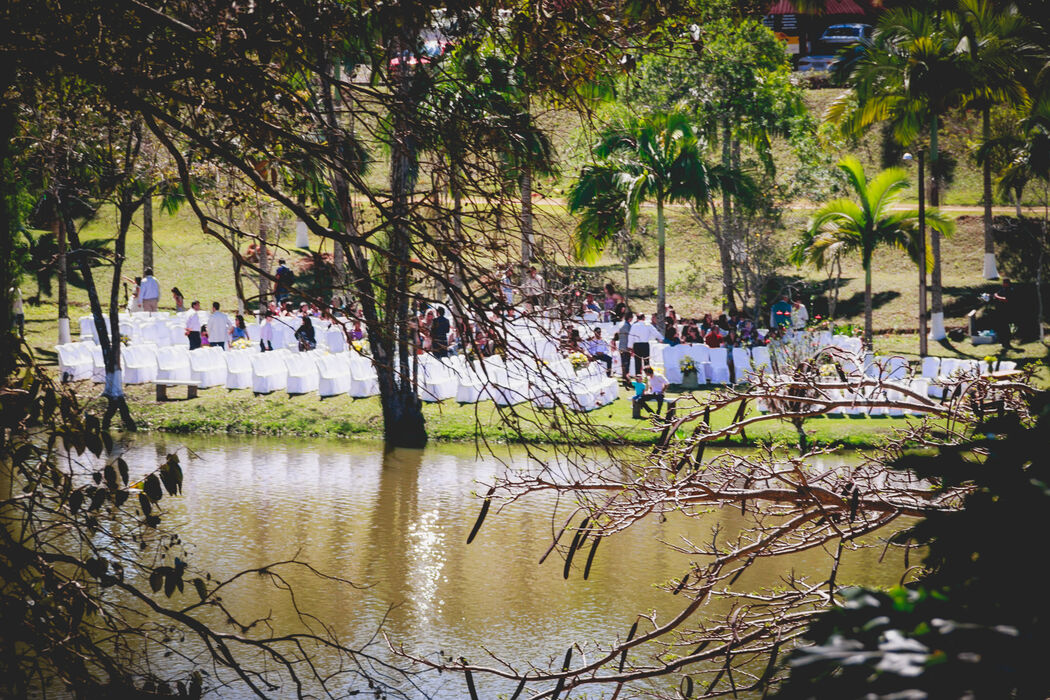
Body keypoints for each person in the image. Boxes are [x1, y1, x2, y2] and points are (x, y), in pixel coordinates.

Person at [992, 278, 1014, 350]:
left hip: (1006, 312)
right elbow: (997, 293)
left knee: (1005, 328)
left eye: (1004, 283)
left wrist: (997, 296)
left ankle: (1007, 342)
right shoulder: (1003, 289)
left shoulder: (1010, 290)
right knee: (1000, 327)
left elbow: (1006, 299)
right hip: (1000, 311)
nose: (1003, 284)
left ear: (1007, 283)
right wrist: (995, 295)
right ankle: (1002, 341)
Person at [617, 312, 634, 385]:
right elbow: (630, 335)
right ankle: (626, 379)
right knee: (625, 364)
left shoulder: (625, 325)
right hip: (625, 347)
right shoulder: (626, 326)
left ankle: (625, 378)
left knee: (625, 364)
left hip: (623, 347)